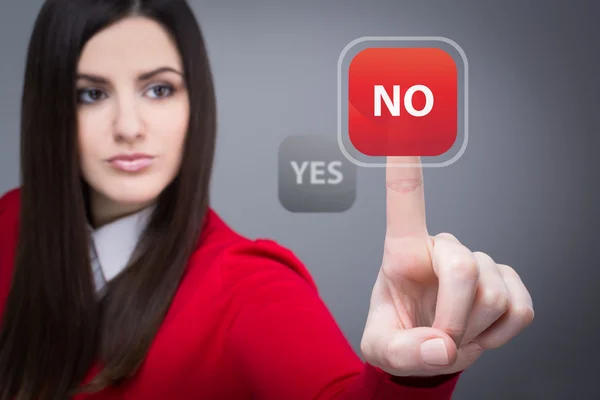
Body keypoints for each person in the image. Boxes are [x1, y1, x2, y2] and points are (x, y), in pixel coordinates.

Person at [0, 0, 534, 399]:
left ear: (195, 103)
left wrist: (407, 375)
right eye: (92, 93)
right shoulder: (9, 221)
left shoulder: (250, 286)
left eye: (158, 88)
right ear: (49, 108)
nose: (129, 126)